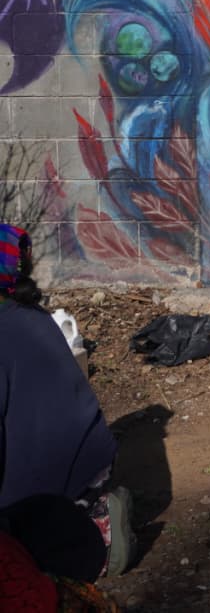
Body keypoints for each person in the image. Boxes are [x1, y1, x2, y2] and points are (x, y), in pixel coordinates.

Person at [0, 224, 133, 581]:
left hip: (51, 481)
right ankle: (91, 516)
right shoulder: (33, 316)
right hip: (90, 460)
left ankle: (93, 543)